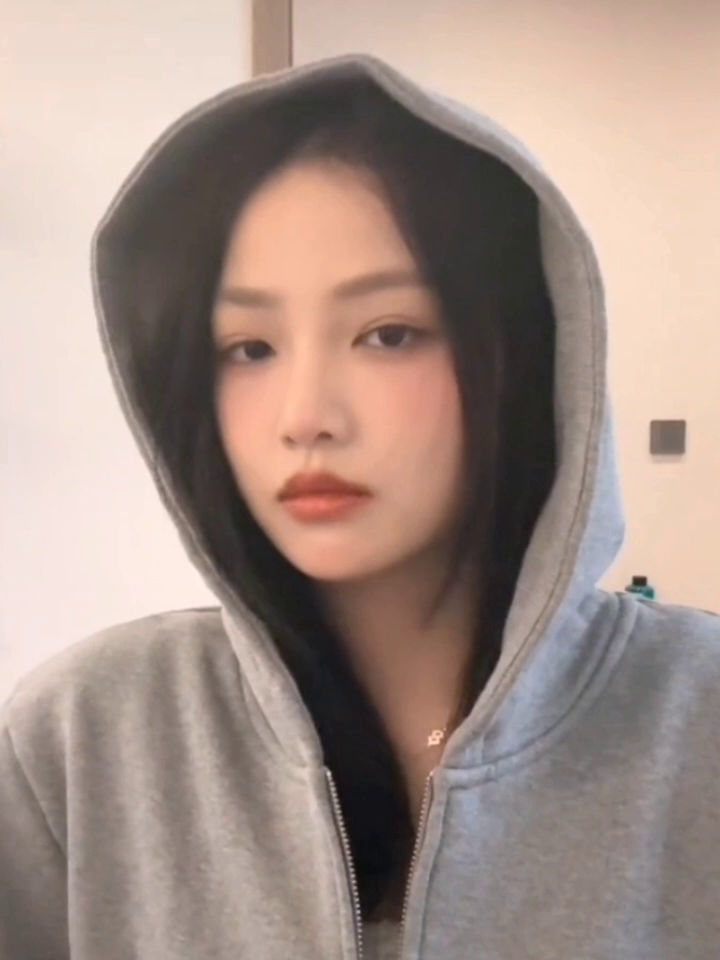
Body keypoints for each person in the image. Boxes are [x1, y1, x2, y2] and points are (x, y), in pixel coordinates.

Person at [1, 53, 719, 960]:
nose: (305, 417)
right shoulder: (85, 738)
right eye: (249, 348)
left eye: (388, 334)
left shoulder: (696, 719)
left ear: (521, 358)